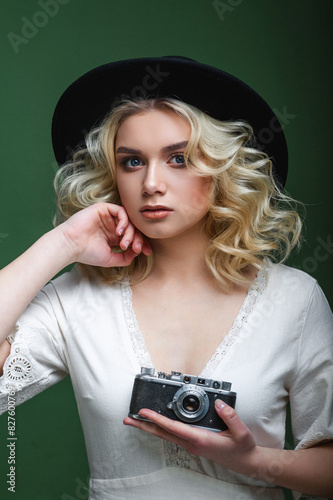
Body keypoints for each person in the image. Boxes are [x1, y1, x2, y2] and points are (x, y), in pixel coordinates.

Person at [0, 56, 332, 500]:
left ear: (220, 168)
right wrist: (60, 245)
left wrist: (253, 461)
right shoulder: (78, 297)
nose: (152, 183)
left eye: (179, 158)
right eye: (132, 162)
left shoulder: (295, 298)